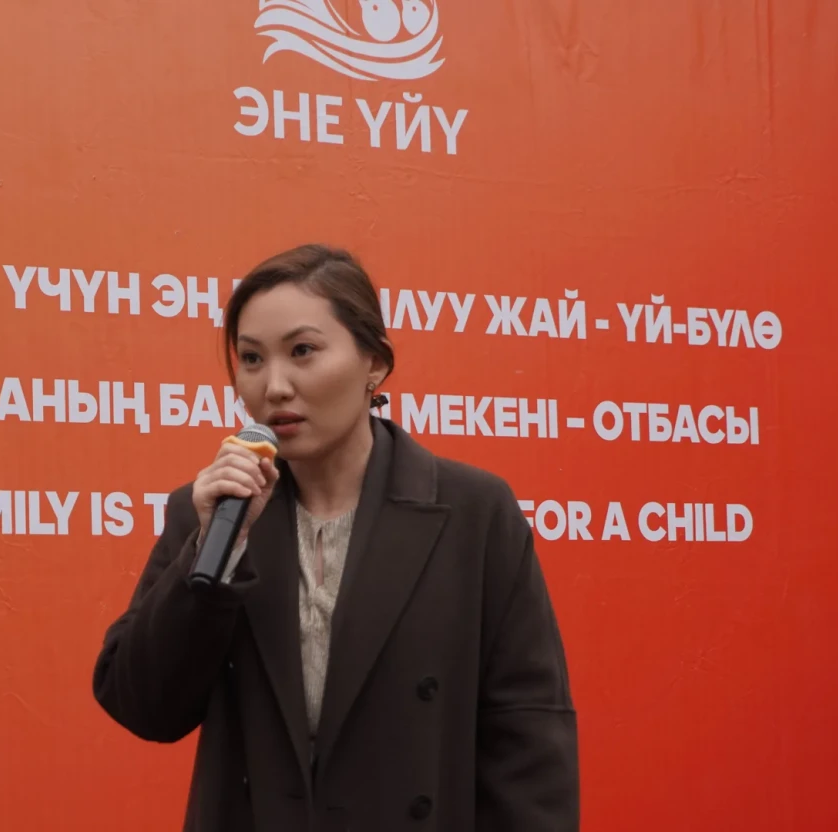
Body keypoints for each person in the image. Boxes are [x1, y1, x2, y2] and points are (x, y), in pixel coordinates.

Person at [92, 244, 579, 830]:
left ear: (374, 362)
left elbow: (528, 736)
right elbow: (144, 706)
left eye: (303, 351)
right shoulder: (212, 515)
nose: (274, 386)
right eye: (252, 358)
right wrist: (213, 554)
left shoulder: (472, 511)